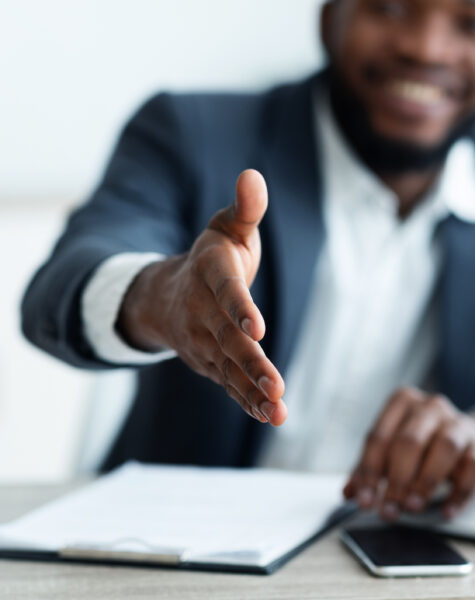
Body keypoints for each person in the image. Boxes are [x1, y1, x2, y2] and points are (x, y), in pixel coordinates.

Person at [22, 0, 475, 522]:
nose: (425, 48)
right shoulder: (193, 133)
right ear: (331, 19)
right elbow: (60, 289)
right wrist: (160, 297)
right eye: (391, 8)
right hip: (175, 552)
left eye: (469, 22)